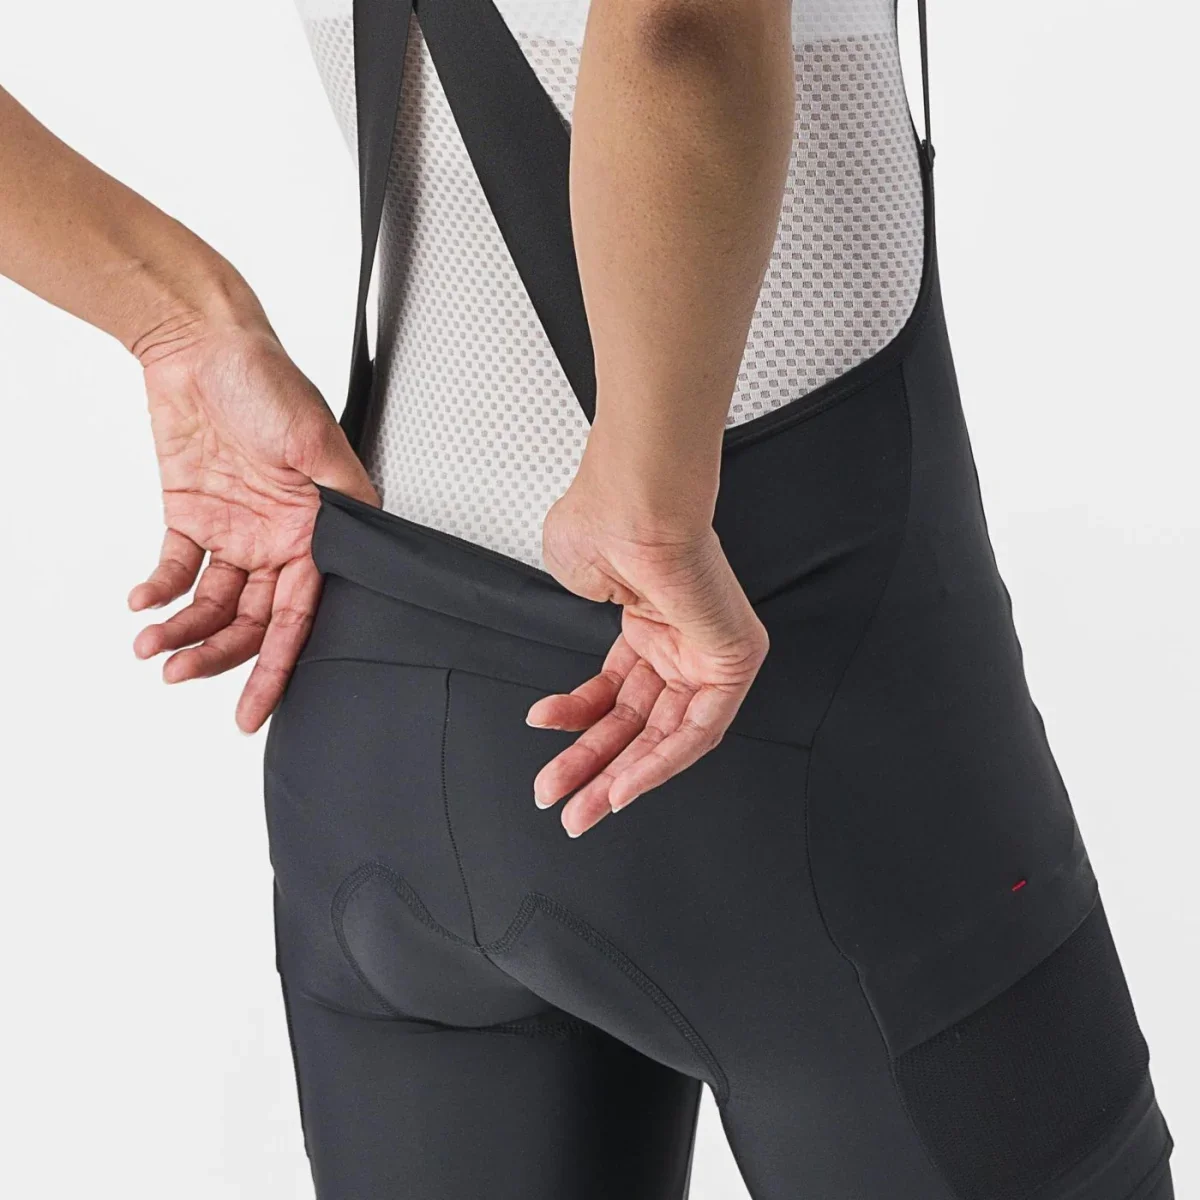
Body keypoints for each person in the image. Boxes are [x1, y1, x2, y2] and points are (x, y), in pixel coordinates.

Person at [0, 1, 1175, 1197]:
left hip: (372, 723)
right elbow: (674, 28)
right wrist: (652, 498)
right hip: (773, 703)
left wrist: (172, 318)